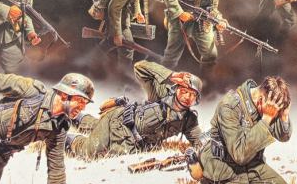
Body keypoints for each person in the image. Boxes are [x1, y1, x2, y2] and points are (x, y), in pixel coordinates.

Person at [194, 75, 292, 184]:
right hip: (225, 167)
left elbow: (283, 136)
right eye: (275, 111)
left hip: (250, 164)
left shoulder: (268, 104)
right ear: (261, 100)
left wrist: (284, 116)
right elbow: (239, 155)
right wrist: (266, 119)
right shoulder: (229, 106)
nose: (274, 113)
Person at [68, 60, 202, 159]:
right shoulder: (161, 94)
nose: (187, 97)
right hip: (120, 122)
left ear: (196, 99)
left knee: (96, 125)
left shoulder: (189, 119)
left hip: (137, 139)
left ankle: (78, 117)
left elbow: (199, 142)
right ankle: (66, 138)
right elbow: (139, 67)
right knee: (91, 151)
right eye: (184, 91)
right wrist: (170, 75)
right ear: (176, 89)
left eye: (192, 94)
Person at [160, 0, 230, 69]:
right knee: (172, 54)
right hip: (180, 20)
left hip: (201, 21)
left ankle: (205, 78)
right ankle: (163, 76)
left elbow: (213, 8)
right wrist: (180, 13)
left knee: (211, 55)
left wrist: (219, 20)